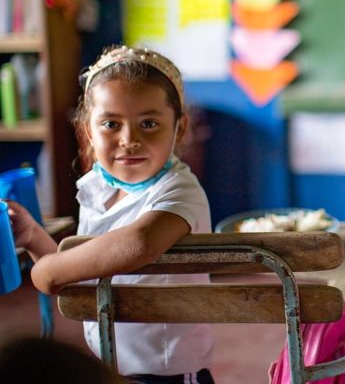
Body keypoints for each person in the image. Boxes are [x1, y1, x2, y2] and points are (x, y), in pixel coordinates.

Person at [6, 45, 215, 384]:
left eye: (149, 123)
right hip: (109, 365)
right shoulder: (97, 188)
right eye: (110, 124)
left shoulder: (180, 189)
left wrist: (46, 272)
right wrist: (33, 237)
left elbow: (139, 242)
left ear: (179, 128)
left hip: (167, 374)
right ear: (88, 130)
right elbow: (84, 274)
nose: (129, 139)